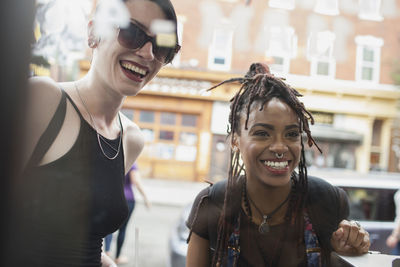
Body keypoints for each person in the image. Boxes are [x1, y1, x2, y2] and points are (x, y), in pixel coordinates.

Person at [8, 1, 180, 266]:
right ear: (93, 34)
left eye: (163, 46)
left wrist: (105, 261)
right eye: (132, 32)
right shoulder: (44, 100)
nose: (147, 53)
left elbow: (78, 239)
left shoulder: (131, 139)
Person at [186, 63, 370, 267]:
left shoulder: (328, 202)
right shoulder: (212, 203)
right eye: (262, 133)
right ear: (235, 140)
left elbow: (345, 256)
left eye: (291, 134)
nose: (280, 147)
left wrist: (349, 251)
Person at [104, 162, 151, 264]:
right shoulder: (132, 162)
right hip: (128, 199)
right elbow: (136, 181)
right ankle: (117, 257)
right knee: (123, 229)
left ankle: (107, 251)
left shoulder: (113, 158)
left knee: (109, 226)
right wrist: (145, 197)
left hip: (112, 197)